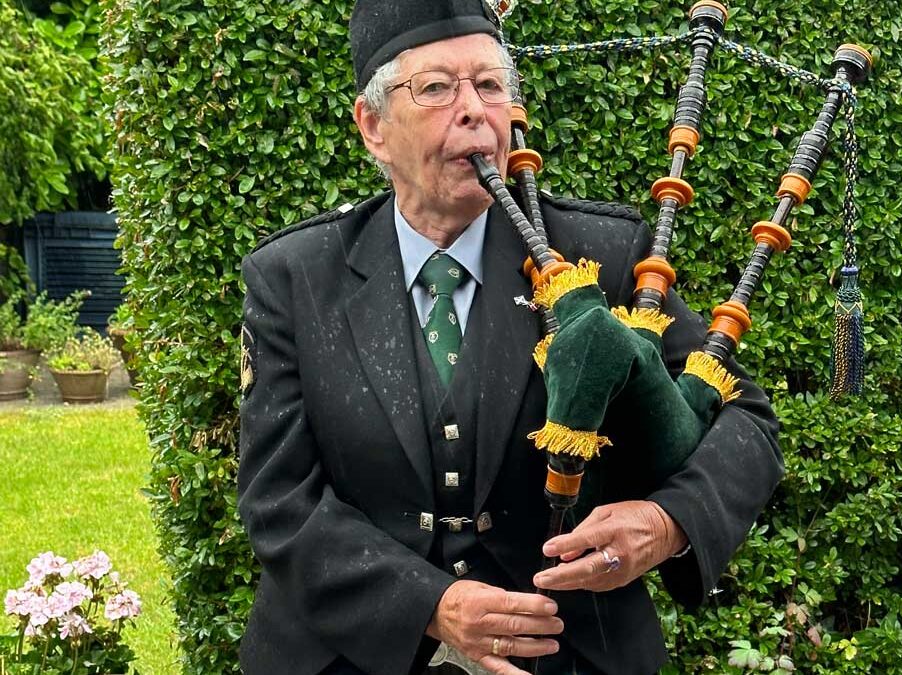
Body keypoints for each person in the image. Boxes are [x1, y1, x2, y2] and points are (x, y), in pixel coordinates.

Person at [236, 1, 783, 673]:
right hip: (353, 656)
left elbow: (744, 421)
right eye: (436, 88)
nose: (475, 111)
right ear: (373, 126)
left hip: (571, 651)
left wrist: (665, 523)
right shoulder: (295, 279)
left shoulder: (598, 256)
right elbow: (279, 497)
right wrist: (429, 604)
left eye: (491, 85)